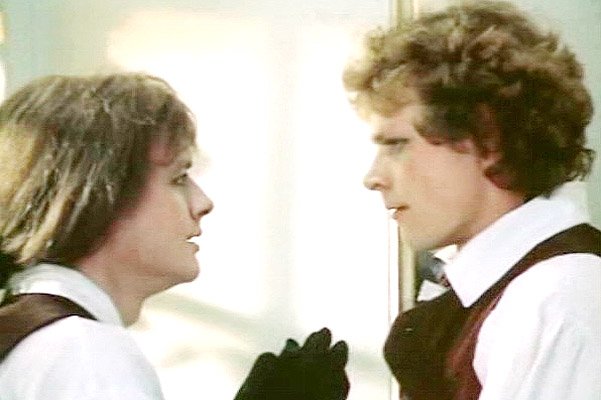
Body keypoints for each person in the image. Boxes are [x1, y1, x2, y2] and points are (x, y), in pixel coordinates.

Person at [0, 73, 349, 399]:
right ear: (101, 197)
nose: (203, 203)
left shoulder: (33, 335)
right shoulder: (86, 352)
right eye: (179, 178)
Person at [343, 1, 600, 399]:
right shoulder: (505, 291)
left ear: (488, 139)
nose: (373, 178)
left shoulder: (557, 296)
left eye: (397, 145)